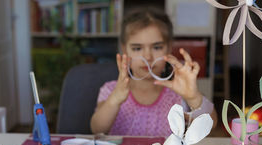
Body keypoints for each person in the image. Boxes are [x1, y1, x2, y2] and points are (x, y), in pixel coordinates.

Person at [90, 8, 217, 136]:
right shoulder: (110, 90)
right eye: (137, 48)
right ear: (125, 50)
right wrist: (115, 99)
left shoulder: (178, 94)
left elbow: (211, 125)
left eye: (157, 47)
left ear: (168, 48)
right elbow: (97, 129)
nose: (148, 57)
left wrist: (193, 97)